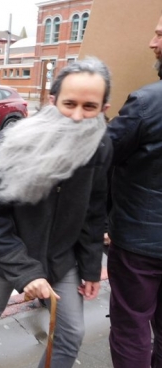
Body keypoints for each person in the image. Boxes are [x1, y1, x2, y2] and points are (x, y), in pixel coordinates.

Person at [0, 58, 113, 368]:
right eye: (69, 104)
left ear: (104, 107)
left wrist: (89, 267)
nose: (77, 116)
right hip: (7, 257)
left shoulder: (100, 145)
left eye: (90, 107)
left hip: (62, 257)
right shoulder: (10, 143)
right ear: (52, 100)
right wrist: (27, 272)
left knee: (72, 331)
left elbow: (94, 211)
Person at [106, 14, 162, 368]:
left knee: (131, 327)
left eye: (159, 34)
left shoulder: (145, 103)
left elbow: (103, 156)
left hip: (139, 245)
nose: (152, 43)